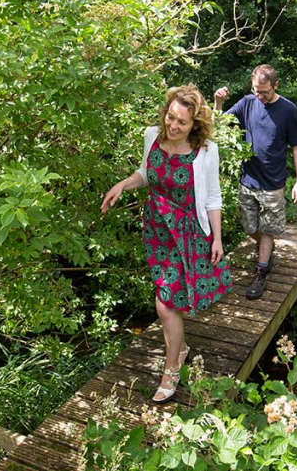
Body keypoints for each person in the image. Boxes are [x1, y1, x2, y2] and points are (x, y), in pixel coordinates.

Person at [101, 85, 233, 404]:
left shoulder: (205, 151)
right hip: (157, 229)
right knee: (169, 298)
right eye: (170, 117)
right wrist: (123, 184)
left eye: (182, 123)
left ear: (195, 124)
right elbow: (145, 173)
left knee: (165, 302)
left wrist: (216, 237)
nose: (173, 126)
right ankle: (182, 348)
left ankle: (171, 368)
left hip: (187, 231)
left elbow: (213, 197)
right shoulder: (152, 136)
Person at [213, 64, 297, 301]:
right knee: (249, 227)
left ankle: (260, 272)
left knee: (267, 230)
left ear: (275, 86)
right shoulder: (247, 103)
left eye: (264, 91)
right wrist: (218, 103)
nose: (260, 96)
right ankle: (267, 249)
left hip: (274, 183)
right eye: (256, 90)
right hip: (248, 180)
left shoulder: (288, 110)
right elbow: (219, 125)